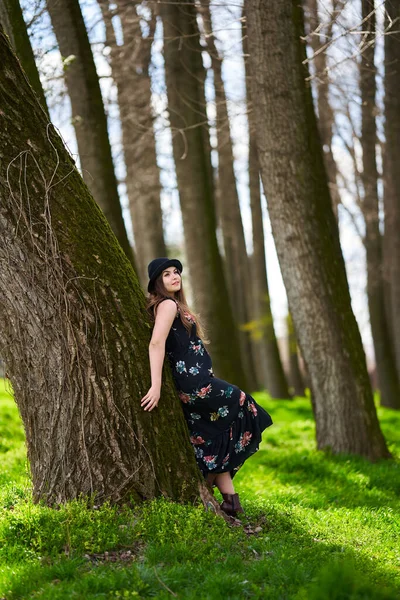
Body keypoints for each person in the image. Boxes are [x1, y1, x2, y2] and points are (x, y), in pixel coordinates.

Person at [141, 257, 273, 517]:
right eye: (166, 274)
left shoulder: (175, 304)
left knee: (212, 436)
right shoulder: (166, 305)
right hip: (196, 385)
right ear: (158, 282)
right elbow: (156, 344)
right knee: (244, 404)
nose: (174, 276)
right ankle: (213, 483)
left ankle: (231, 501)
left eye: (176, 272)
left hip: (197, 382)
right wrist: (155, 386)